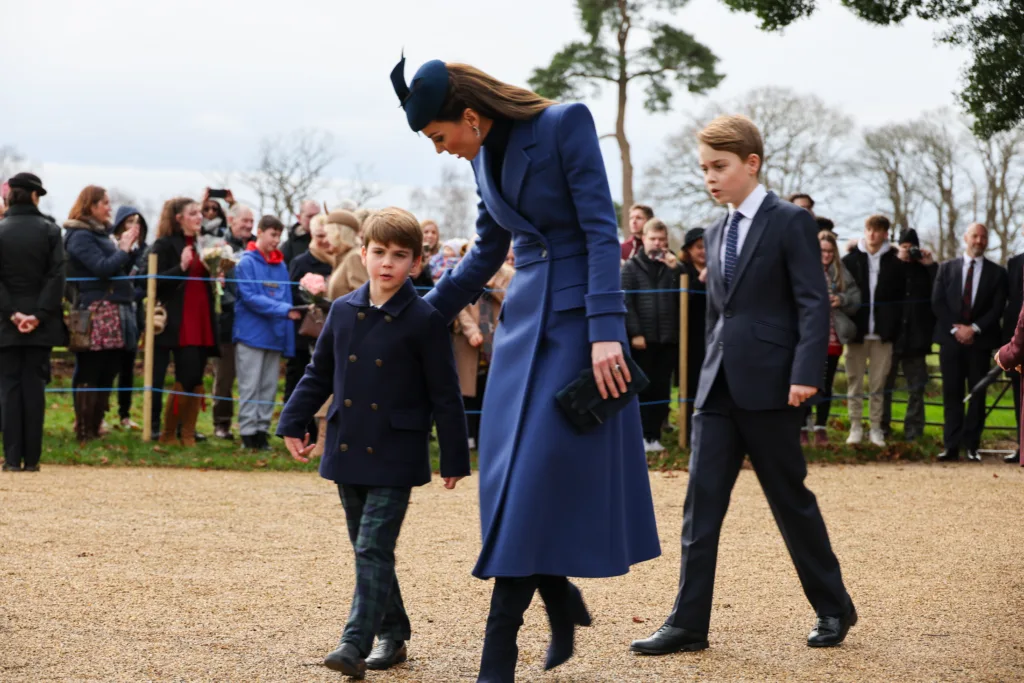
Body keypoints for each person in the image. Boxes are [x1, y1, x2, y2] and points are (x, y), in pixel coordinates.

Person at [392, 56, 660, 681]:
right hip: (520, 330)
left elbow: (600, 231)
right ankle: (559, 598)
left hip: (577, 328)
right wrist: (423, 317)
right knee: (511, 482)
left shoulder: (566, 124)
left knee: (533, 478)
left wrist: (604, 332)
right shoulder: (481, 156)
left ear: (468, 116)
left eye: (438, 138)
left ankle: (498, 656)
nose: (441, 151)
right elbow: (488, 249)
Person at [632, 115, 855, 656]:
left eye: (719, 166)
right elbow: (717, 317)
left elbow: (809, 301)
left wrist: (806, 374)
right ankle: (688, 623)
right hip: (717, 392)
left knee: (790, 502)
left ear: (751, 163)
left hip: (775, 389)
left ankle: (833, 608)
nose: (710, 177)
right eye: (704, 168)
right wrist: (704, 375)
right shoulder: (714, 231)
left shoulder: (790, 222)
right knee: (699, 507)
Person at [277, 208, 470, 677]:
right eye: (379, 252)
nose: (387, 263)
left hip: (396, 451)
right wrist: (293, 420)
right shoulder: (343, 310)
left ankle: (354, 642)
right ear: (362, 253)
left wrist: (454, 455)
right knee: (370, 551)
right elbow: (319, 372)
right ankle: (396, 632)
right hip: (347, 444)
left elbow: (445, 392)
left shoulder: (425, 319)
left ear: (416, 264)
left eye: (399, 255)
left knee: (371, 549)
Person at [63, 186, 140, 442]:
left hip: (113, 309)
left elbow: (118, 268)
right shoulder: (80, 236)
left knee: (109, 367)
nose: (110, 207)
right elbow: (102, 268)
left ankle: (95, 427)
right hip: (94, 310)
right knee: (91, 369)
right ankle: (84, 429)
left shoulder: (101, 235)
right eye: (105, 203)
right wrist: (123, 249)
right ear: (91, 206)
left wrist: (129, 250)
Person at [0, 173, 66, 472]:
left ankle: (12, 458)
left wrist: (13, 313)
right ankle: (32, 459)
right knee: (34, 389)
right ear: (35, 196)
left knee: (10, 390)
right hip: (41, 325)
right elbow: (56, 277)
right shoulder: (51, 231)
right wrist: (38, 314)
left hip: (5, 324)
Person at [932, 223, 1007, 462]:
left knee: (977, 394)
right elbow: (938, 302)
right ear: (966, 237)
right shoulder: (946, 269)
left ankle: (972, 446)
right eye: (975, 236)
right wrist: (956, 330)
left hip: (980, 342)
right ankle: (951, 446)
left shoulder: (997, 273)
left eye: (983, 237)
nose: (979, 240)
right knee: (952, 394)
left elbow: (997, 308)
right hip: (951, 342)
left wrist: (974, 329)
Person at [149, 197, 219, 446]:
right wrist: (180, 267)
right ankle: (168, 432)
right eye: (193, 213)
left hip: (202, 319)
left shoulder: (204, 244)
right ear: (179, 218)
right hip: (179, 322)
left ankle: (187, 431)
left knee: (197, 376)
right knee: (185, 374)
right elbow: (152, 281)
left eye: (200, 213)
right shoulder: (164, 244)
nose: (199, 217)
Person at [232, 216, 299, 450]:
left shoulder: (280, 266)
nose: (276, 240)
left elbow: (286, 297)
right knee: (250, 386)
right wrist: (283, 310)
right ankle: (248, 433)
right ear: (259, 233)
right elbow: (250, 297)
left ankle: (262, 432)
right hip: (251, 335)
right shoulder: (245, 263)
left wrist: (287, 336)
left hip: (274, 335)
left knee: (269, 387)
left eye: (279, 236)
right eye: (272, 234)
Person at [285, 209, 360, 413]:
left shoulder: (354, 258)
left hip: (349, 339)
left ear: (338, 232)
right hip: (336, 336)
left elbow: (363, 301)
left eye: (328, 233)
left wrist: (330, 304)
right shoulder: (341, 258)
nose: (324, 239)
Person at [840, 215, 904, 447]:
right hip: (856, 333)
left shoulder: (896, 264)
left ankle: (876, 428)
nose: (872, 234)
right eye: (869, 229)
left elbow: (900, 301)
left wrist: (893, 329)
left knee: (878, 385)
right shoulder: (849, 261)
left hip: (883, 335)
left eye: (877, 230)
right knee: (854, 381)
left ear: (885, 233)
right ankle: (855, 426)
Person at [621, 218, 682, 452]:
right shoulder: (631, 267)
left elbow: (684, 295)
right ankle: (640, 436)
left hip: (667, 339)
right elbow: (626, 300)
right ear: (644, 239)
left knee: (662, 389)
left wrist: (675, 269)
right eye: (653, 239)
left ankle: (654, 435)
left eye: (662, 240)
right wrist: (635, 332)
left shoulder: (671, 266)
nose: (657, 243)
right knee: (642, 389)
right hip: (642, 341)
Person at [803, 231, 860, 446]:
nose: (825, 255)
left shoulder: (841, 273)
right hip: (809, 335)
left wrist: (841, 299)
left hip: (832, 336)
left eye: (829, 251)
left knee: (826, 383)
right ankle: (803, 425)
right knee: (807, 380)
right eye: (822, 251)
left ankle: (821, 427)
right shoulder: (805, 270)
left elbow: (856, 299)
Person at [880, 229, 937, 442]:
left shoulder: (925, 270)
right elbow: (882, 290)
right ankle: (882, 428)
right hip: (892, 337)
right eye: (905, 247)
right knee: (884, 387)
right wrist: (897, 261)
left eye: (912, 247)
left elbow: (939, 290)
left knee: (916, 388)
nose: (909, 251)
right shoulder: (891, 266)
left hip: (917, 339)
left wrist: (930, 265)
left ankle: (913, 432)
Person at [455, 263, 514, 449]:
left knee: (492, 394)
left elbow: (513, 301)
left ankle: (489, 440)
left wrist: (493, 284)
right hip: (471, 345)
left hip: (497, 343)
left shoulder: (508, 274)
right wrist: (471, 331)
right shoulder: (465, 270)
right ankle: (468, 438)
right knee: (468, 394)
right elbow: (459, 306)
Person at [211, 203, 255, 440]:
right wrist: (233, 304)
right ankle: (222, 423)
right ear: (231, 220)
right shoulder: (219, 247)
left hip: (253, 321)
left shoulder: (256, 247)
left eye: (251, 221)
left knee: (251, 378)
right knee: (225, 376)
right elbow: (218, 284)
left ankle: (249, 424)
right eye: (244, 221)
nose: (248, 226)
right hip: (228, 321)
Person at [109, 206, 149, 430]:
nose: (134, 226)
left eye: (138, 222)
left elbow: (145, 284)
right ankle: (101, 413)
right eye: (129, 221)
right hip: (113, 313)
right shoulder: (112, 247)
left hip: (134, 314)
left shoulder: (144, 251)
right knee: (108, 366)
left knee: (128, 367)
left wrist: (132, 294)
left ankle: (124, 414)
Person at [678, 227, 706, 448]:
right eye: (698, 247)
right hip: (688, 337)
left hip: (713, 336)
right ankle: (687, 434)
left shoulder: (721, 269)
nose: (703, 251)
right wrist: (701, 280)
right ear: (688, 249)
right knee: (689, 385)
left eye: (706, 246)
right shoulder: (681, 271)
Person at [1002, 232, 1024, 464]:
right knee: (1020, 398)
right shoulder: (1015, 263)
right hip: (1019, 342)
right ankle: (1022, 446)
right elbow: (1012, 306)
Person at [281, 199, 320, 265]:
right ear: (299, 217)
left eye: (317, 216)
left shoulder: (329, 241)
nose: (314, 220)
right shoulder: (289, 246)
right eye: (309, 216)